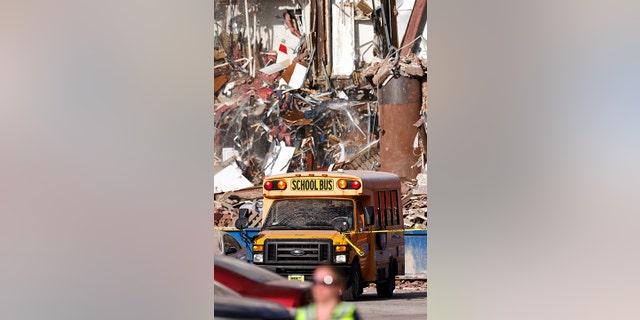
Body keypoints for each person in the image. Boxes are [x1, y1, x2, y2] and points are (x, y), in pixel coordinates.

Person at [296, 265, 362, 320]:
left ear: (340, 286)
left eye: (327, 281)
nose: (319, 286)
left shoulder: (349, 313)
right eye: (315, 281)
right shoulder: (303, 313)